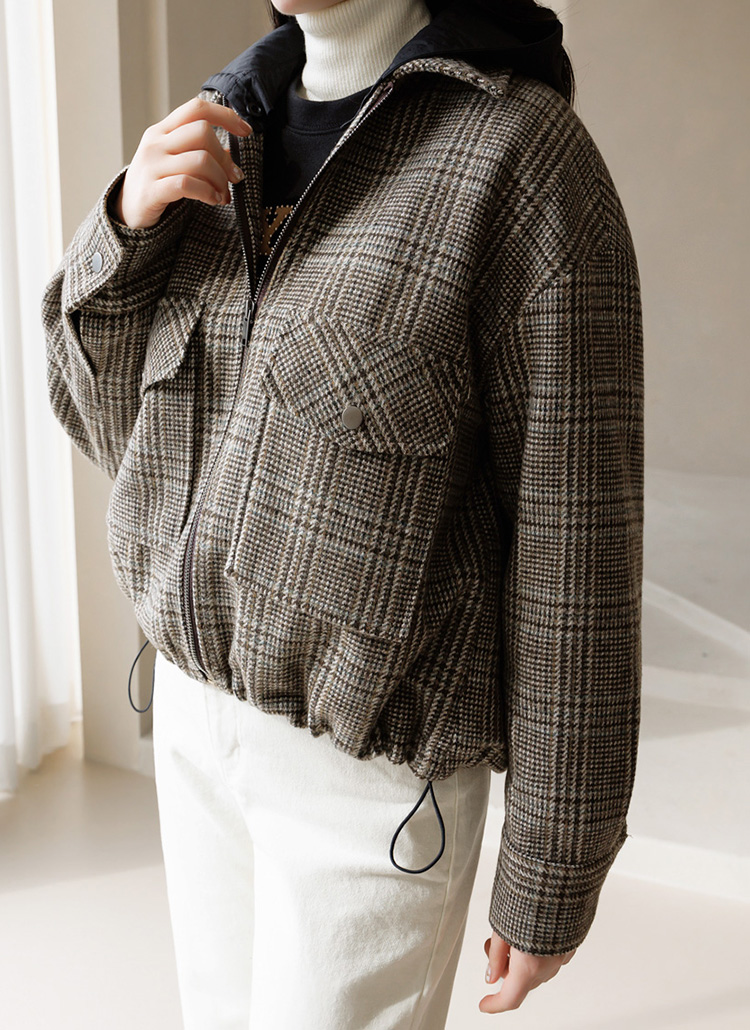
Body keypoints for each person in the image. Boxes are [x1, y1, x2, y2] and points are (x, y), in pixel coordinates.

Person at [40, 0, 644, 1026]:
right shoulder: (226, 125)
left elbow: (575, 542)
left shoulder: (523, 161)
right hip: (193, 723)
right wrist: (125, 229)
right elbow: (108, 429)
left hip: (373, 782)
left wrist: (554, 858)